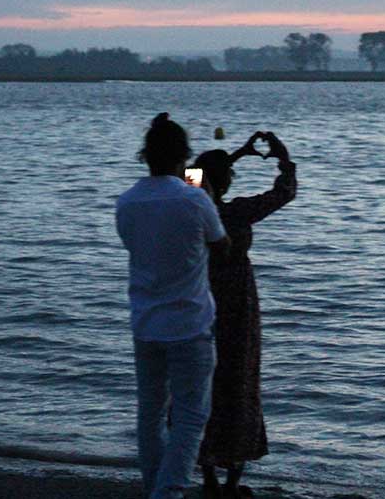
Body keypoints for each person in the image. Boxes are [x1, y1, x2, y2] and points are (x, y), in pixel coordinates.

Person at [116, 113, 230, 499]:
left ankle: (156, 486)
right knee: (191, 414)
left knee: (150, 414)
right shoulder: (194, 198)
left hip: (145, 324)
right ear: (184, 155)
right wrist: (201, 188)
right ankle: (169, 491)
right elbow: (222, 246)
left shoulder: (128, 202)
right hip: (190, 325)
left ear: (144, 155)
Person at [192, 131, 297, 499]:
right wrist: (282, 158)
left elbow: (193, 177)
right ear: (225, 182)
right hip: (237, 306)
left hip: (201, 302)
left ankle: (206, 476)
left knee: (204, 385)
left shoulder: (194, 208)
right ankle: (232, 483)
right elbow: (284, 192)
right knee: (238, 383)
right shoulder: (236, 212)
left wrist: (232, 157)